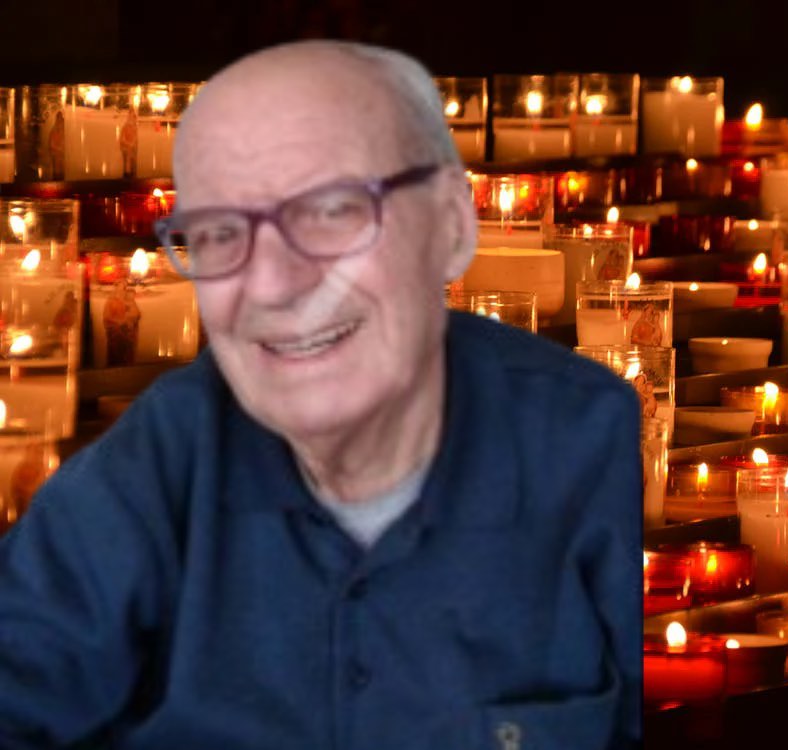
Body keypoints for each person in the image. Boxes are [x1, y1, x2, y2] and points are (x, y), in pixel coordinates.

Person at [0, 40, 642, 749]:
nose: (273, 285)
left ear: (452, 226)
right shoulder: (160, 460)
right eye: (219, 233)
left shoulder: (584, 441)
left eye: (332, 212)